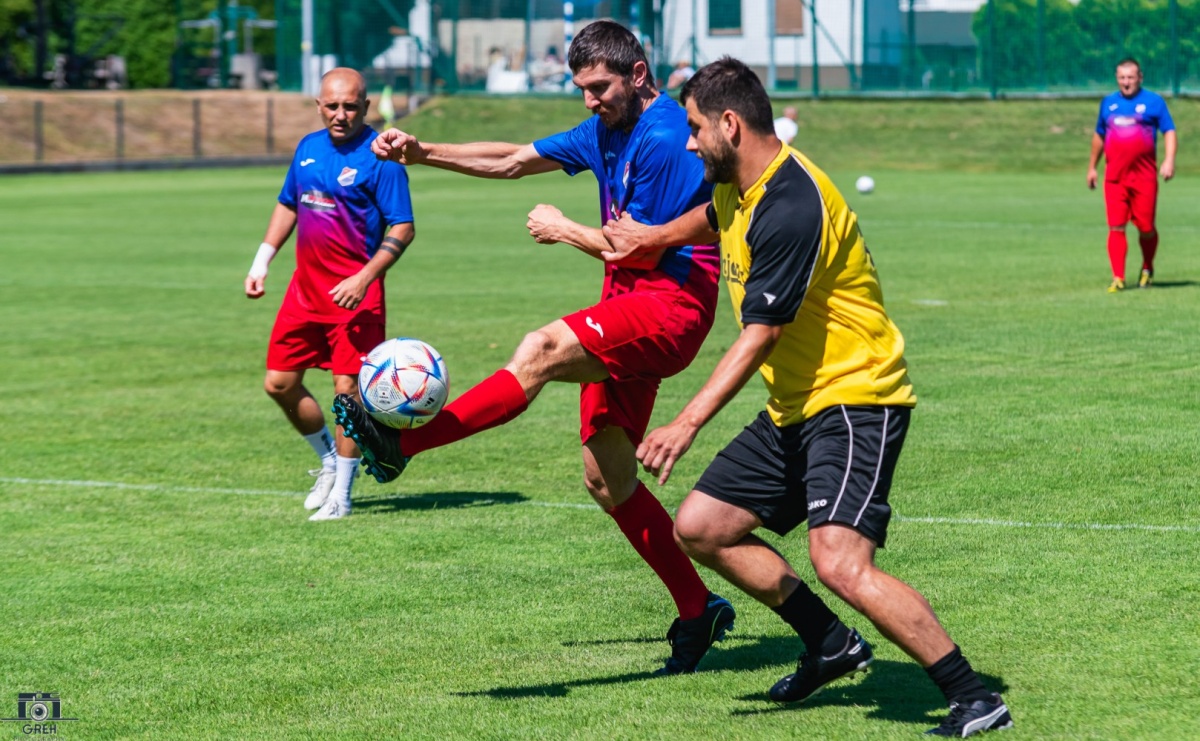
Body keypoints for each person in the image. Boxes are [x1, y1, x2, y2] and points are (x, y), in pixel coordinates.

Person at [601, 57, 1012, 737]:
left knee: (840, 561)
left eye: (696, 128)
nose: (690, 142)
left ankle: (973, 696)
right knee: (702, 525)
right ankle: (829, 642)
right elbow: (712, 217)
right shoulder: (741, 185)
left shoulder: (791, 203)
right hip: (797, 404)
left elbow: (761, 334)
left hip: (855, 398)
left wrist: (686, 421)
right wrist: (654, 236)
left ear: (730, 124)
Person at [333, 20, 735, 674]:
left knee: (540, 349)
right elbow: (513, 159)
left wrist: (562, 226)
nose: (590, 100)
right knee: (607, 478)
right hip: (625, 308)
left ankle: (402, 445)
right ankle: (699, 609)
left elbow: (641, 248)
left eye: (599, 87)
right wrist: (422, 152)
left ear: (638, 74)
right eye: (581, 89)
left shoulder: (665, 135)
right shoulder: (605, 129)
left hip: (670, 310)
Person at [244, 68, 415, 522]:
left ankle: (342, 492)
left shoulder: (382, 157)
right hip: (303, 294)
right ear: (318, 105)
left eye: (351, 106)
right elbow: (288, 204)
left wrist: (365, 278)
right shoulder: (307, 147)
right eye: (333, 106)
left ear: (366, 107)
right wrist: (261, 262)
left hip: (356, 300)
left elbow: (403, 227)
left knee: (348, 395)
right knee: (278, 383)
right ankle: (327, 461)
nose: (341, 114)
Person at [1087, 57, 1176, 293]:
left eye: (1130, 77)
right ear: (1117, 78)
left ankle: (1147, 268)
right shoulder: (1108, 103)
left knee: (1146, 227)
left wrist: (1169, 160)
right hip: (1115, 178)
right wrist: (1092, 167)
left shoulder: (1154, 102)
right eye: (1122, 78)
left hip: (1144, 178)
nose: (1126, 82)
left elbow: (1169, 131)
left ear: (1140, 78)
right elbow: (1099, 135)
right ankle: (1118, 277)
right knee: (1116, 226)